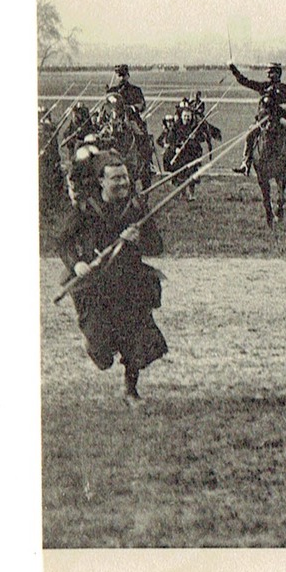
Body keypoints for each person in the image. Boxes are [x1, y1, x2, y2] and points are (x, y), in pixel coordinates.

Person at [54, 156, 167, 407]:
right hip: (94, 285)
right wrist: (76, 264)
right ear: (102, 181)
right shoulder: (86, 209)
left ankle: (130, 390)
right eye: (116, 178)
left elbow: (157, 246)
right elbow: (62, 242)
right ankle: (93, 345)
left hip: (129, 284)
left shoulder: (137, 209)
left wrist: (137, 239)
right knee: (103, 354)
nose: (122, 183)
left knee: (136, 339)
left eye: (125, 177)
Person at [229, 61, 286, 174]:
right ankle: (245, 163)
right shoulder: (264, 86)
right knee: (250, 134)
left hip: (279, 120)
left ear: (278, 73)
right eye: (268, 73)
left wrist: (281, 107)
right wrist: (233, 69)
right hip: (263, 121)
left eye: (271, 73)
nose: (268, 75)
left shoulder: (285, 88)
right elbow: (245, 81)